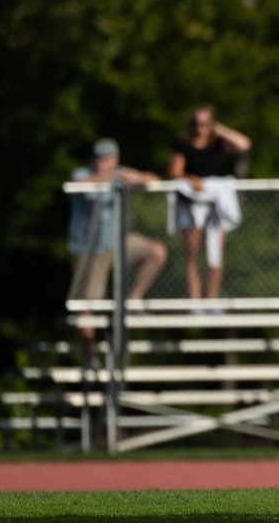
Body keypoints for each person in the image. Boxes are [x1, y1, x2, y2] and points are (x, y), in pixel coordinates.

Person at [67, 138, 166, 358]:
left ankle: (134, 300)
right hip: (88, 248)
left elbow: (156, 181)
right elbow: (80, 186)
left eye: (107, 158)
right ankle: (89, 357)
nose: (102, 162)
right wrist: (109, 176)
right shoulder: (82, 173)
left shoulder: (122, 173)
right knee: (88, 306)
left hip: (116, 241)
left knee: (155, 252)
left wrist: (138, 178)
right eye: (98, 158)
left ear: (116, 158)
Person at [166, 106, 252, 301]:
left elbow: (244, 144)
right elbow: (174, 172)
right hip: (192, 203)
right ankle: (194, 300)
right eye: (196, 123)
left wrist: (219, 129)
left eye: (204, 123)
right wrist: (191, 179)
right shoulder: (183, 146)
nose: (200, 128)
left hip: (214, 203)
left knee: (216, 255)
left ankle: (212, 299)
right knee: (193, 254)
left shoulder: (216, 144)